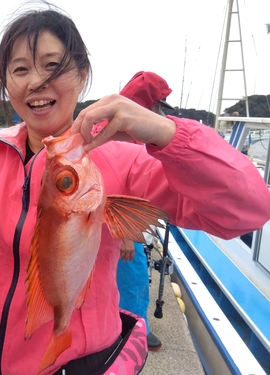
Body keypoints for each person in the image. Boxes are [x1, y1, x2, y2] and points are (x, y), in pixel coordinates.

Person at [0, 4, 270, 375]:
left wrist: (166, 133)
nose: (36, 81)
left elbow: (246, 211)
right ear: (5, 83)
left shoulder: (121, 160)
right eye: (19, 70)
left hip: (76, 364)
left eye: (52, 66)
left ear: (82, 74)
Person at [115, 71, 176, 352]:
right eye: (159, 105)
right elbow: (112, 190)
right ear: (147, 104)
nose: (161, 112)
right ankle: (131, 330)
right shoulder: (120, 135)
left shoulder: (132, 129)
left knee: (133, 278)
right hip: (120, 229)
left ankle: (130, 325)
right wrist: (126, 235)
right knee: (133, 278)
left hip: (130, 224)